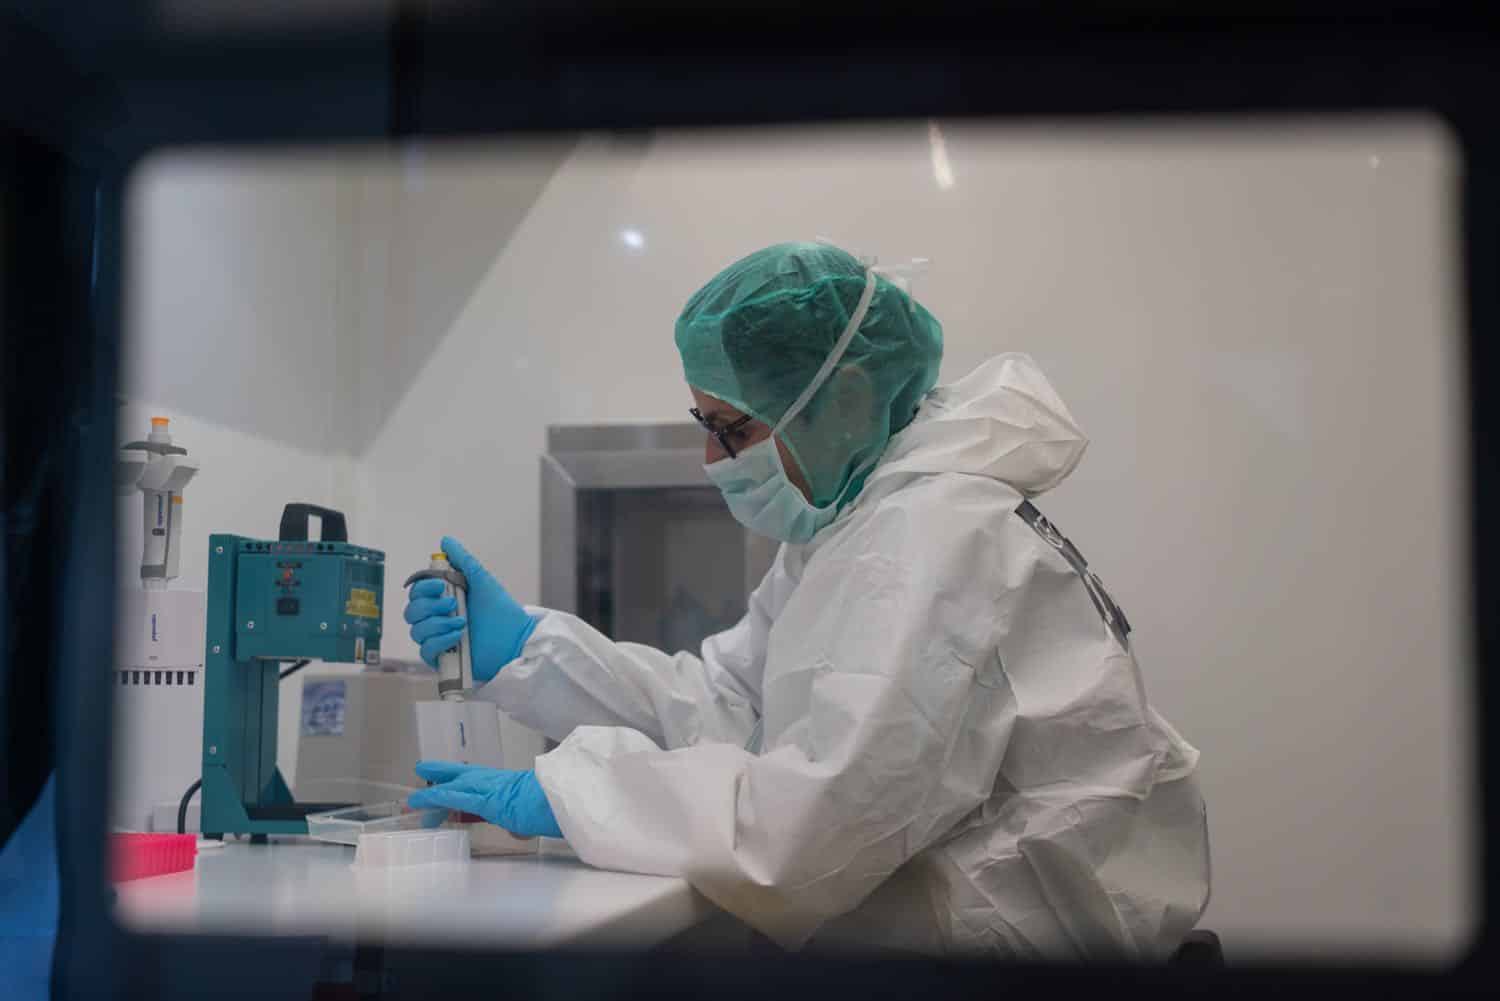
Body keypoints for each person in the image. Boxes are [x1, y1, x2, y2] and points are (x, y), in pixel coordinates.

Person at [405, 241, 1210, 960]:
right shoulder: (854, 526)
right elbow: (730, 704)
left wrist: (577, 794)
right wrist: (533, 649)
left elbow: (808, 832)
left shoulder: (928, 538)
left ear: (847, 399)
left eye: (732, 429)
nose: (711, 458)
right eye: (703, 423)